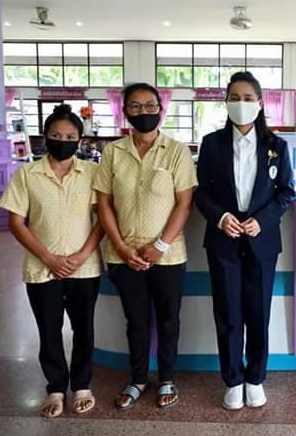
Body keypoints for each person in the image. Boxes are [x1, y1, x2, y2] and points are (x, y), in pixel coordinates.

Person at [93, 83, 197, 410]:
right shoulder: (113, 152)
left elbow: (184, 204)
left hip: (167, 256)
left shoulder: (176, 151)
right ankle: (138, 379)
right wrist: (122, 247)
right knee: (136, 322)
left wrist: (160, 245)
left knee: (168, 320)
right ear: (124, 111)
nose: (144, 112)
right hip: (123, 255)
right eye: (135, 106)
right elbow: (104, 204)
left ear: (160, 109)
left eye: (150, 105)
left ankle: (167, 378)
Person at [194, 71, 294, 410]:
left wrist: (262, 220)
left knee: (258, 313)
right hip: (223, 239)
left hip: (261, 242)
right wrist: (221, 217)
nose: (241, 104)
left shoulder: (277, 146)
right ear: (226, 103)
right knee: (228, 313)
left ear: (260, 104)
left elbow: (285, 193)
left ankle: (255, 378)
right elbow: (202, 192)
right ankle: (233, 379)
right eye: (234, 98)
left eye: (248, 98)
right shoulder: (212, 144)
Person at [0, 104, 104, 418]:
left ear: (80, 140)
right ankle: (56, 388)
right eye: (56, 135)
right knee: (49, 329)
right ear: (45, 137)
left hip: (85, 267)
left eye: (70, 137)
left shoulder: (92, 173)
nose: (63, 141)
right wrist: (49, 258)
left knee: (84, 329)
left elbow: (102, 220)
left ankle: (82, 385)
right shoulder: (27, 174)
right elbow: (16, 222)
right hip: (41, 268)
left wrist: (81, 256)